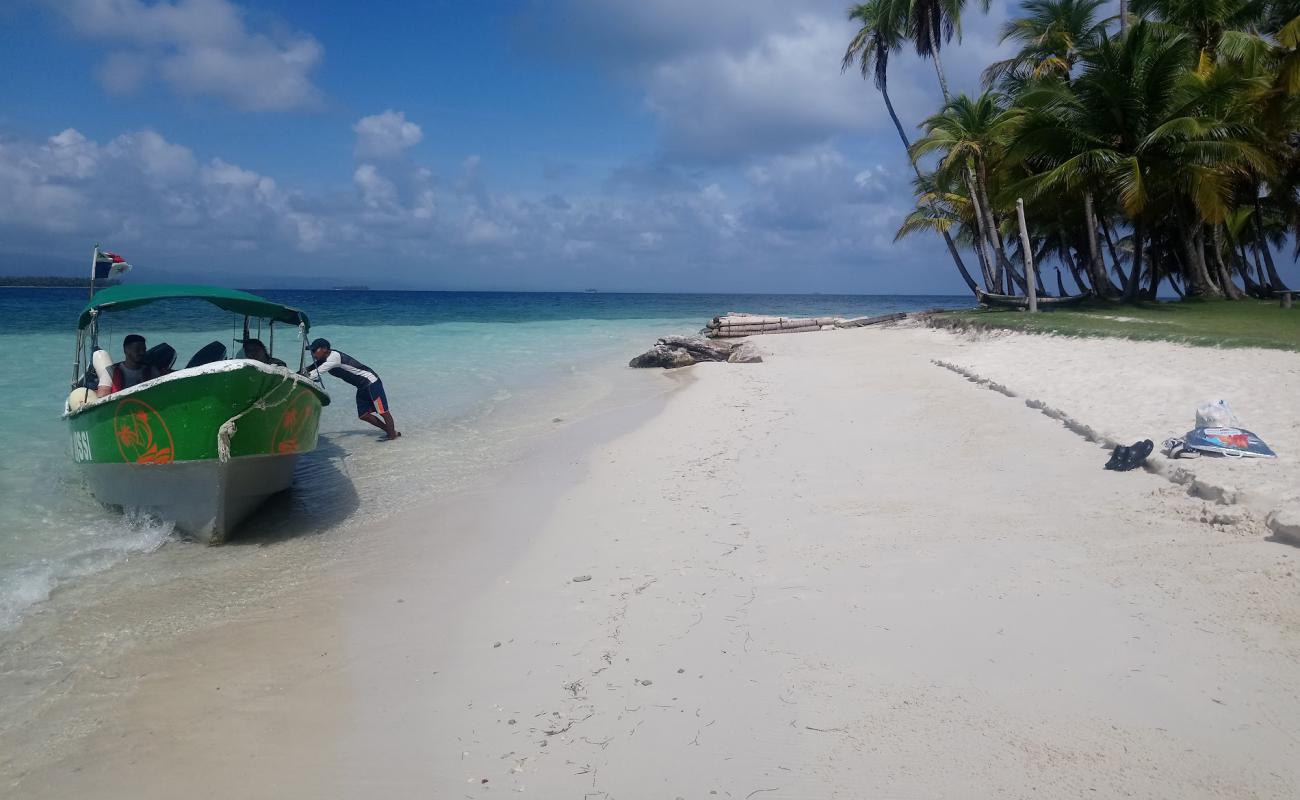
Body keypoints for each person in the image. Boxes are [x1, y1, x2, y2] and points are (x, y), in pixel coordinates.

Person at [303, 338, 400, 440]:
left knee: (383, 412)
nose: (313, 354)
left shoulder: (333, 358)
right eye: (311, 351)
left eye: (314, 350)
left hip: (371, 382)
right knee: (364, 415)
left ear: (325, 349)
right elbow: (310, 368)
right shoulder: (323, 358)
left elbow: (315, 374)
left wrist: (304, 376)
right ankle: (391, 431)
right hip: (361, 386)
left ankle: (392, 437)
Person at [98, 334, 163, 396]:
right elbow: (103, 394)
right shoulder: (111, 371)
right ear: (126, 350)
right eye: (137, 349)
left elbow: (161, 391)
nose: (142, 352)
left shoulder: (152, 370)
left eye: (144, 349)